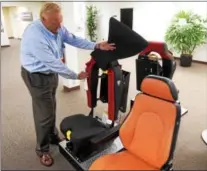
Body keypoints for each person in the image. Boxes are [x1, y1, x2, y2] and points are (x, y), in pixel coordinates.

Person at [20, 2, 115, 167]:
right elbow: (54, 64)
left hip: (49, 74)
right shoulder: (35, 36)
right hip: (36, 76)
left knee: (51, 107)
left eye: (60, 22)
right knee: (44, 114)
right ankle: (42, 149)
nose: (59, 27)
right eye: (55, 23)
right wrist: (76, 76)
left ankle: (52, 135)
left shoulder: (57, 26)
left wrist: (97, 45)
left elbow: (72, 39)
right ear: (43, 19)